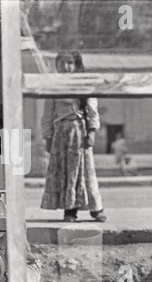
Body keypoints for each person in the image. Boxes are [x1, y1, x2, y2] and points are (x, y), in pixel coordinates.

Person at [41, 52, 107, 223]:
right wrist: (48, 137)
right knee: (65, 173)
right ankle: (69, 211)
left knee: (85, 172)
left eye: (70, 63)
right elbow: (48, 113)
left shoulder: (83, 84)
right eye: (62, 63)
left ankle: (96, 209)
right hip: (60, 134)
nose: (66, 67)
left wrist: (92, 132)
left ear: (76, 65)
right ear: (57, 65)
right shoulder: (53, 86)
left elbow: (92, 109)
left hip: (79, 132)